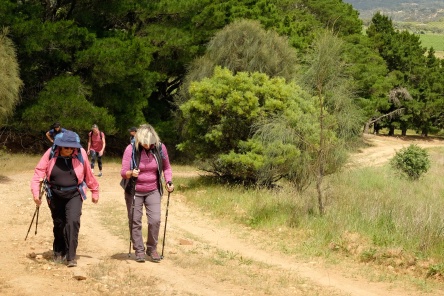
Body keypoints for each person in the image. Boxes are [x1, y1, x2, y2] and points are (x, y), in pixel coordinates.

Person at [30, 130, 99, 268]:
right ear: (60, 146)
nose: (70, 149)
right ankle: (59, 251)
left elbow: (88, 174)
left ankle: (71, 256)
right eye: (66, 147)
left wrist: (95, 190)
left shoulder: (80, 153)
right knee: (59, 223)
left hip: (74, 193)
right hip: (54, 194)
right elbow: (39, 171)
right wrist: (36, 192)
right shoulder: (51, 152)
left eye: (72, 147)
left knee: (73, 222)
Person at [120, 124, 174, 263]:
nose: (148, 146)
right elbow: (123, 172)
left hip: (153, 189)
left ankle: (152, 248)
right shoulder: (130, 149)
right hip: (134, 190)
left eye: (151, 143)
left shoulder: (160, 148)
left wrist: (168, 181)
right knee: (135, 220)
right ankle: (139, 250)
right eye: (145, 143)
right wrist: (131, 173)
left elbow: (167, 167)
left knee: (155, 220)